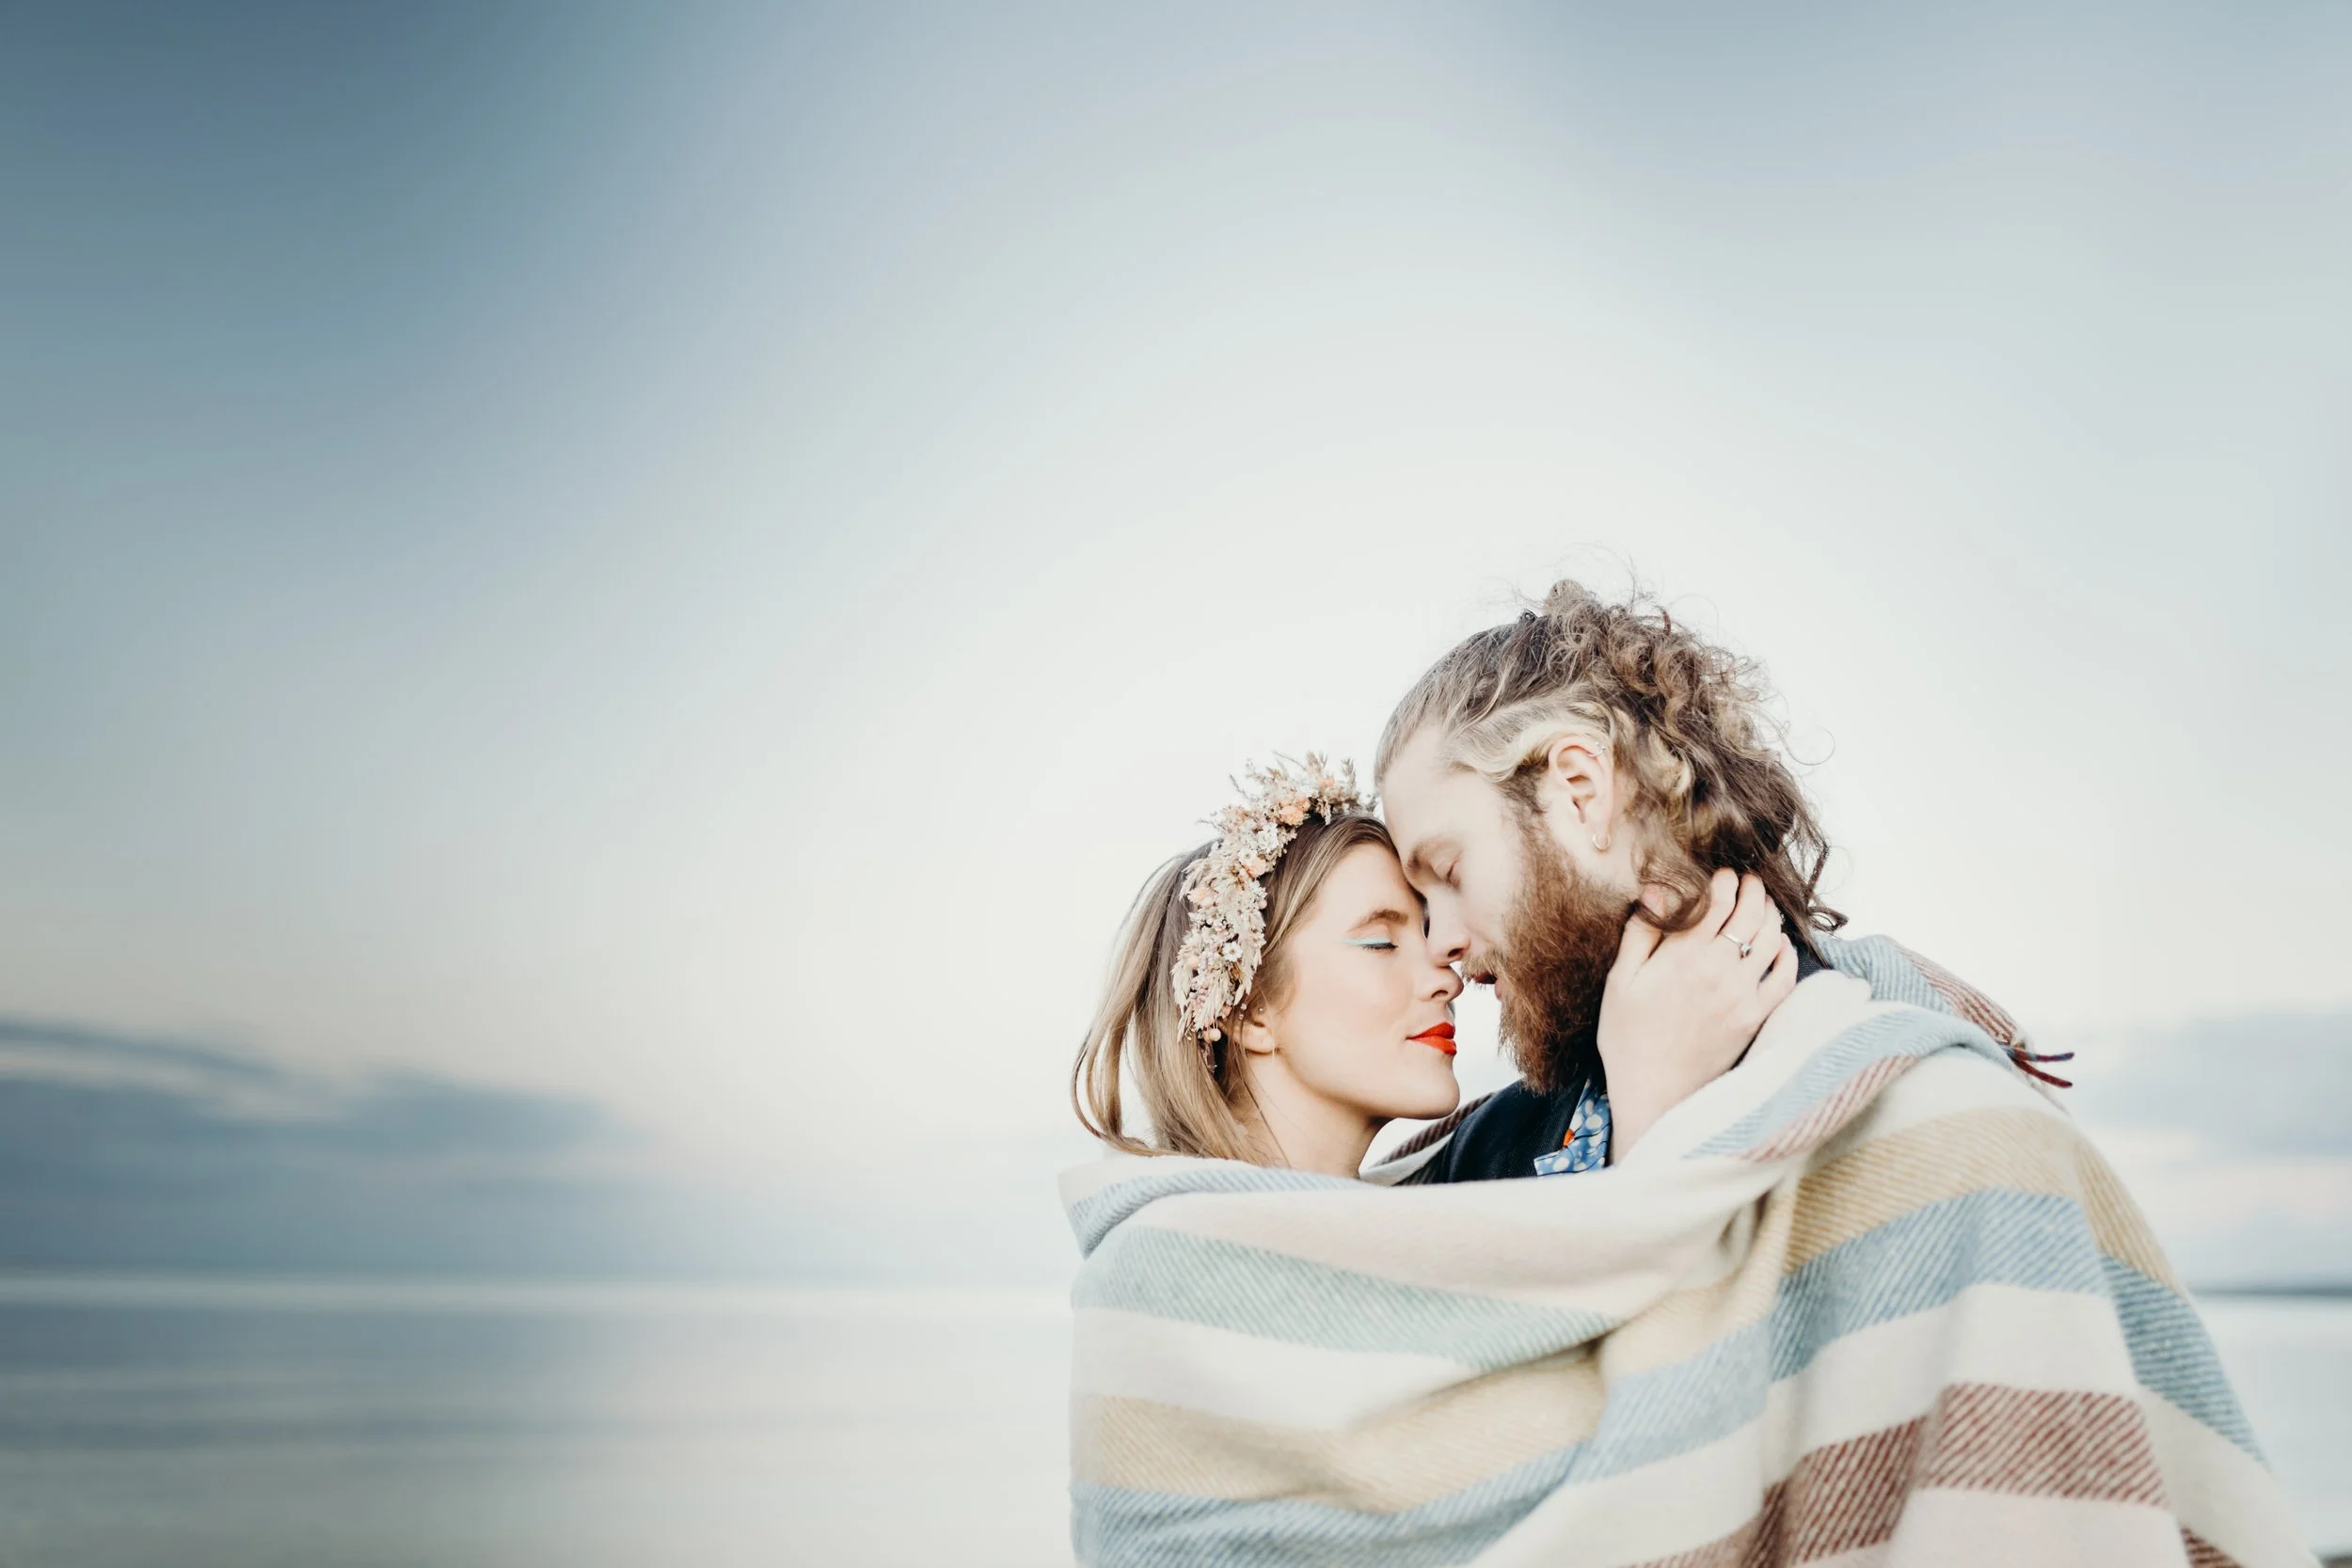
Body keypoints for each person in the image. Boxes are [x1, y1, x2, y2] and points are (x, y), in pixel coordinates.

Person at [1059, 584, 2307, 1568]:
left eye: (1439, 875)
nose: (1442, 948)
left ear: (1582, 789)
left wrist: (1873, 990)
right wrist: (1661, 1115)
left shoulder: (1917, 1116)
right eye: (1388, 925)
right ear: (1246, 1011)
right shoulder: (1475, 1169)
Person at [1070, 756, 1783, 1180]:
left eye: (1431, 926)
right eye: (1380, 942)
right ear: (1249, 1010)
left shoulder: (1447, 1202)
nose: (1447, 973)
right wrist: (1652, 1112)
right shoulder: (1192, 1264)